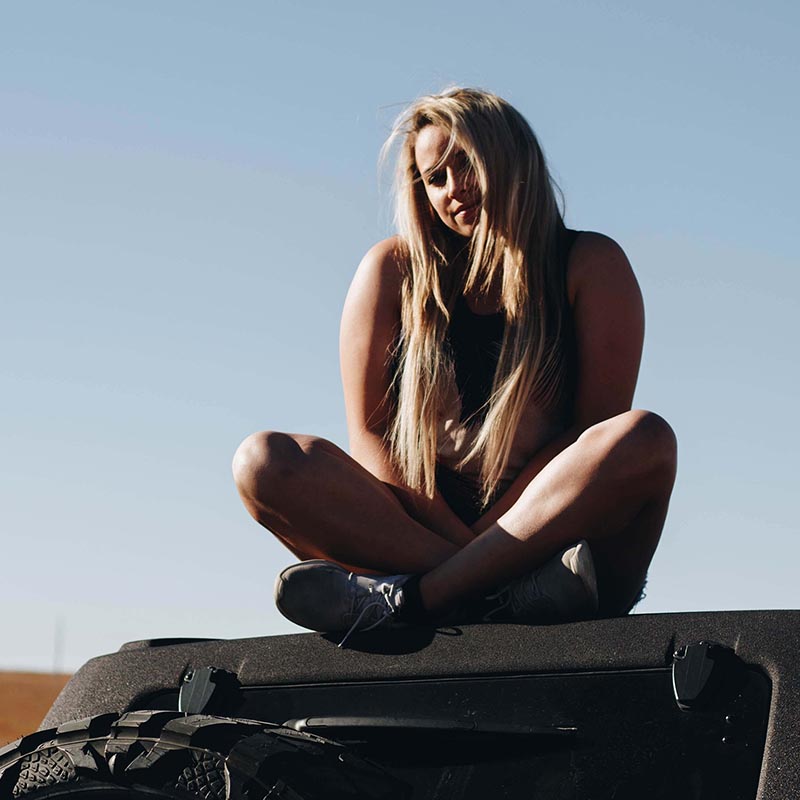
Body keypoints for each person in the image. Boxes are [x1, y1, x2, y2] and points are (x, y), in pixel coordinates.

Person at [232, 87, 677, 644]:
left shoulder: (590, 264)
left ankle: (413, 602)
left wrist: (495, 540)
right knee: (264, 462)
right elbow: (371, 435)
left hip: (564, 553)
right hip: (420, 536)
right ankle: (491, 596)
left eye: (465, 163)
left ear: (511, 159)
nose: (452, 188)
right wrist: (464, 550)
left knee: (644, 439)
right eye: (434, 178)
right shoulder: (391, 270)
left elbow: (588, 436)